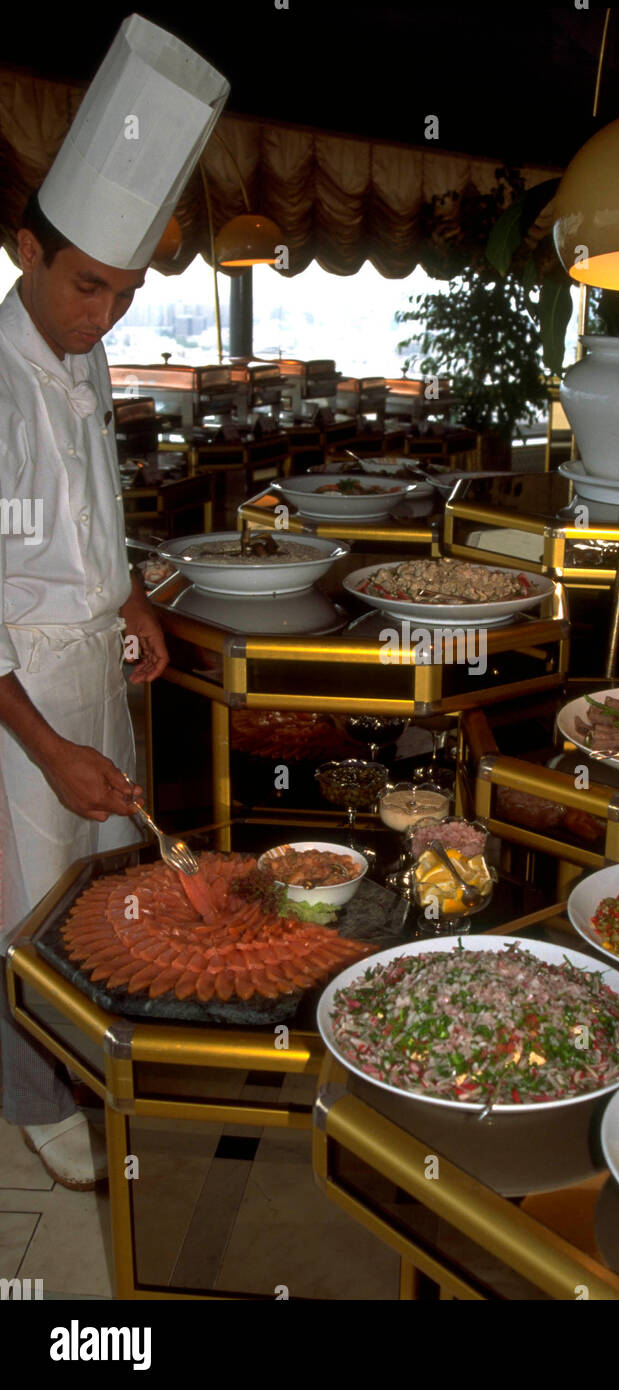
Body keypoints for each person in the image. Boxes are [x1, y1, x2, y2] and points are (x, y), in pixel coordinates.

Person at [0, 14, 228, 1188]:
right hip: (17, 688)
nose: (104, 318)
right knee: (23, 899)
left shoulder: (83, 358)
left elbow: (96, 506)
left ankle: (92, 1057)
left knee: (104, 875)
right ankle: (29, 1094)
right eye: (88, 286)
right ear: (25, 250)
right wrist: (40, 744)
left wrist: (133, 594)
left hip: (90, 653)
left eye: (127, 294)